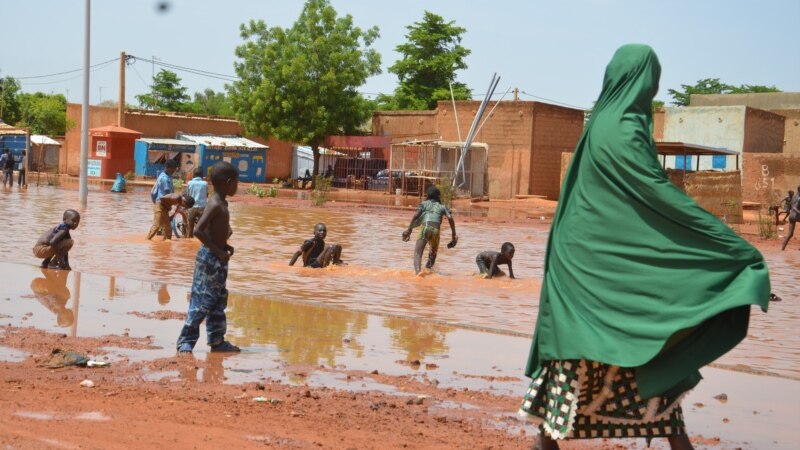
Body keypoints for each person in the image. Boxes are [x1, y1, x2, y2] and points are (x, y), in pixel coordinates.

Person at [518, 45, 770, 450]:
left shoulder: (598, 122)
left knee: (578, 352)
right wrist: (729, 248)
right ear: (643, 80)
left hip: (578, 259)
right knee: (648, 336)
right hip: (600, 264)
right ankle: (672, 442)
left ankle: (547, 442)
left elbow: (619, 207)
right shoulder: (626, 127)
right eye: (653, 77)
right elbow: (654, 196)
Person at [176, 161, 241, 353]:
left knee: (218, 301)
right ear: (228, 182)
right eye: (236, 183)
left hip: (219, 259)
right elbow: (198, 230)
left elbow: (214, 232)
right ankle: (185, 342)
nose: (237, 186)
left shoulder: (222, 203)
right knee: (201, 301)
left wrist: (225, 246)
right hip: (209, 259)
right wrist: (217, 250)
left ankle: (217, 341)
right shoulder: (215, 204)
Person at [402, 186, 457, 275]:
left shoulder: (424, 204)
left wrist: (409, 230)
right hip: (436, 230)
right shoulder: (442, 206)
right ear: (438, 197)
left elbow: (416, 216)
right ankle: (427, 270)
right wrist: (453, 235)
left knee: (418, 253)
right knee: (433, 255)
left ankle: (418, 273)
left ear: (427, 196)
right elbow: (450, 217)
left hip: (425, 228)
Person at [146, 159, 178, 240]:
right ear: (167, 168)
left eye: (174, 169)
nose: (174, 171)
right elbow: (168, 194)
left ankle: (166, 245)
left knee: (168, 228)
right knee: (156, 226)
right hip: (160, 204)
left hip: (165, 205)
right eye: (173, 169)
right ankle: (147, 241)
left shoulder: (167, 177)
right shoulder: (164, 178)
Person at [185, 167, 208, 238]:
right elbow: (207, 194)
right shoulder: (205, 183)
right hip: (202, 207)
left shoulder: (190, 183)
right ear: (201, 175)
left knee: (190, 228)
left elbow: (187, 195)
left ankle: (189, 241)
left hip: (192, 207)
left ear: (193, 175)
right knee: (202, 228)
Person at [780, 186, 800, 251]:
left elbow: (792, 206)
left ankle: (782, 249)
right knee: (790, 233)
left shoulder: (793, 197)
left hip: (791, 216)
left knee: (790, 234)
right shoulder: (799, 197)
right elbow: (794, 207)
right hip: (796, 216)